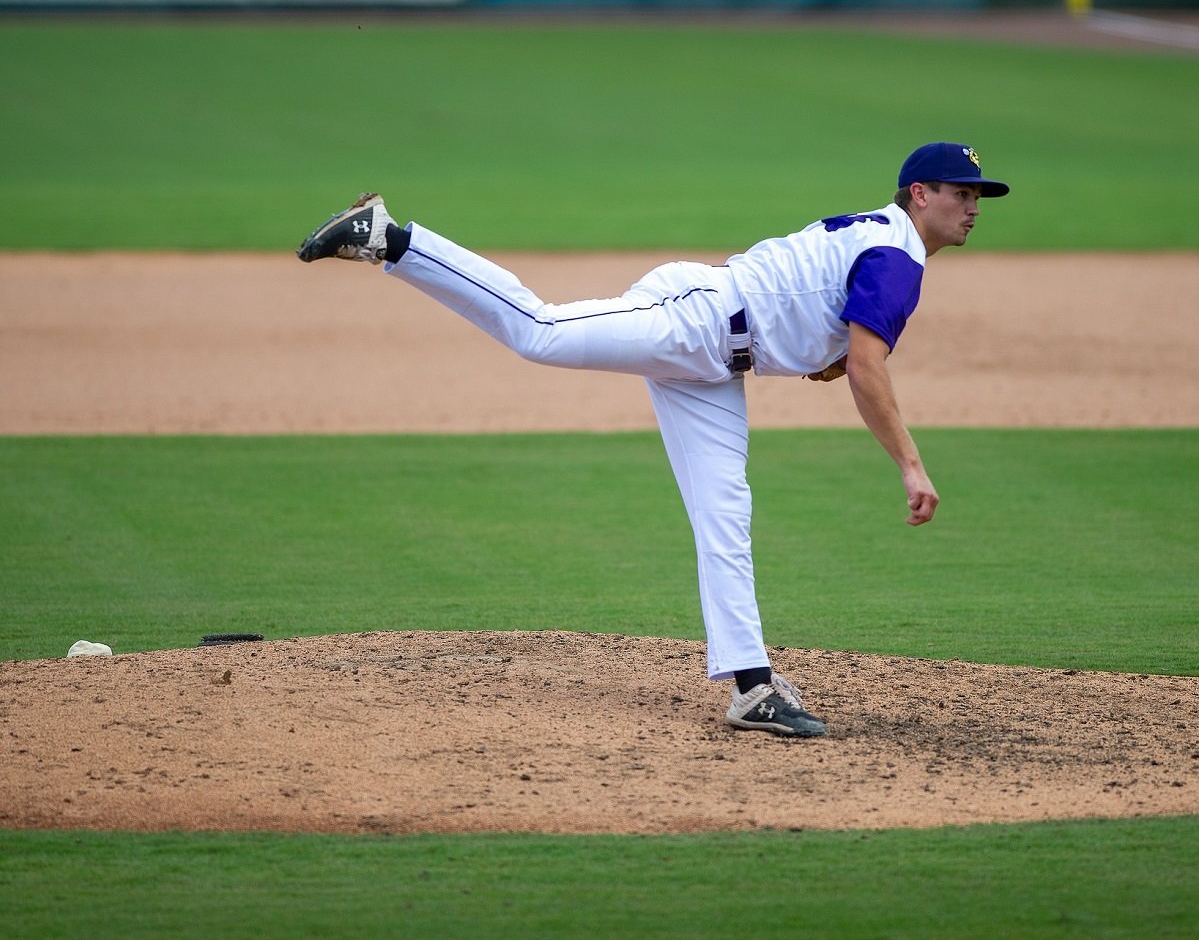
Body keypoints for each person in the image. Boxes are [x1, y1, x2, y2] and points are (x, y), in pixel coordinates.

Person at [295, 142, 1009, 737]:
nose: (974, 206)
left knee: (725, 512)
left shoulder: (881, 241)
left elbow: (831, 338)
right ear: (921, 193)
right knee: (539, 331)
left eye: (979, 195)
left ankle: (753, 687)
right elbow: (864, 365)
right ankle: (390, 237)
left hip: (715, 358)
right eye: (962, 191)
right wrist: (911, 465)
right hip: (696, 320)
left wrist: (815, 353)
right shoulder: (897, 257)